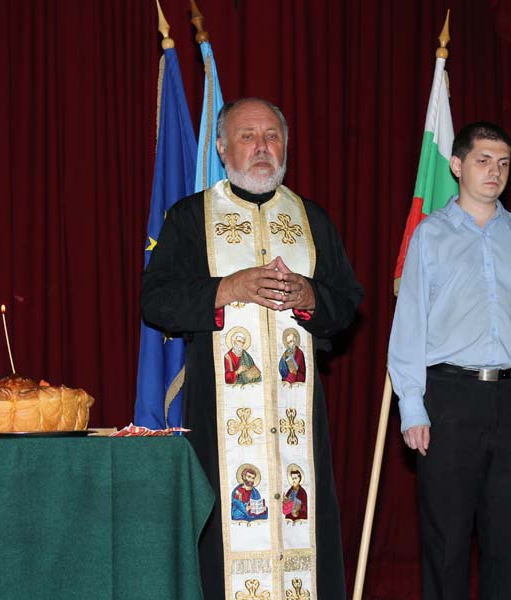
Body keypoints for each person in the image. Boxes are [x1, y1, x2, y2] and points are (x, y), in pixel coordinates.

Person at [142, 97, 362, 600]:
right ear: (222, 148)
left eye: (272, 136)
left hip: (297, 423)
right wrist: (227, 288)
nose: (262, 147)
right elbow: (155, 300)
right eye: (248, 136)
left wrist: (311, 297)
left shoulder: (311, 219)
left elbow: (348, 302)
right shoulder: (191, 217)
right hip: (220, 422)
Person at [388, 121, 511, 600]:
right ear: (457, 165)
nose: (495, 172)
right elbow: (410, 324)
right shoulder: (429, 236)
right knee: (446, 543)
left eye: (503, 163)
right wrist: (412, 405)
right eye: (483, 160)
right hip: (451, 398)